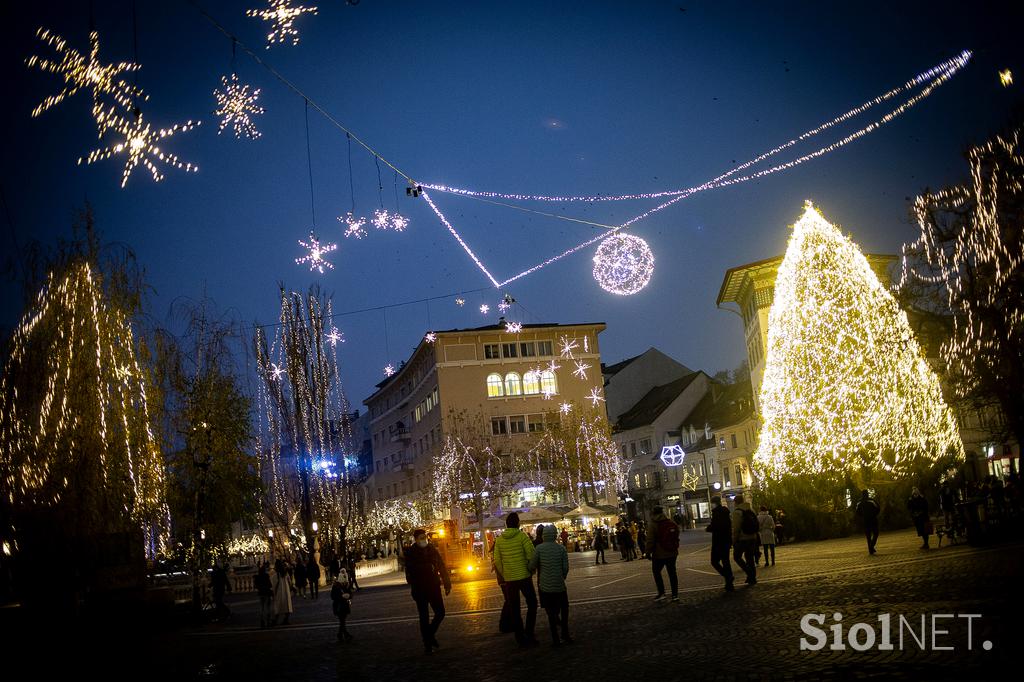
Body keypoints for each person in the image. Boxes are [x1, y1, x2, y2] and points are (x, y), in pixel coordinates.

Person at [493, 512, 538, 647]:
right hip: (524, 576)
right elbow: (531, 554)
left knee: (515, 608)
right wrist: (530, 569)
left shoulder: (500, 540)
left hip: (510, 579)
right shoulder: (522, 537)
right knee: (532, 604)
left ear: (507, 524)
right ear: (518, 523)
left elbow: (497, 560)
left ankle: (519, 637)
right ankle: (529, 632)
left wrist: (505, 573)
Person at [404, 528, 451, 655]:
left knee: (440, 613)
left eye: (425, 537)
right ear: (416, 539)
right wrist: (427, 567)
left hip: (433, 586)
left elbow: (441, 565)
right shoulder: (410, 552)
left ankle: (429, 635)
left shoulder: (432, 549)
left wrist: (447, 582)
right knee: (424, 616)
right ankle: (427, 644)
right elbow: (410, 569)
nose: (423, 540)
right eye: (421, 538)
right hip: (419, 589)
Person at [529, 524, 572, 646]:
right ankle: (565, 632)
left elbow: (532, 565)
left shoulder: (539, 549)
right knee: (564, 609)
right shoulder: (561, 549)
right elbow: (565, 567)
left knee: (551, 613)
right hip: (559, 586)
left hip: (545, 586)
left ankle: (555, 639)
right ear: (555, 535)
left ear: (543, 536)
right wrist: (562, 576)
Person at [644, 506, 680, 602]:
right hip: (672, 552)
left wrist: (647, 552)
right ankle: (675, 595)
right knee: (672, 573)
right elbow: (677, 532)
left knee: (656, 572)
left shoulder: (653, 524)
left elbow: (650, 540)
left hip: (659, 553)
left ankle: (661, 593)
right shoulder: (670, 521)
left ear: (653, 513)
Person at [705, 496, 734, 591]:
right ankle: (729, 583)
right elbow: (728, 526)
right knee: (726, 561)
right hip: (726, 540)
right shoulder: (725, 512)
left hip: (718, 541)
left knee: (714, 561)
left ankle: (728, 576)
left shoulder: (717, 513)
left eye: (712, 503)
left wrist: (709, 528)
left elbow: (716, 526)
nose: (711, 505)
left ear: (715, 503)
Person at [731, 494, 759, 585]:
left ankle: (749, 573)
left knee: (737, 557)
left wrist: (734, 540)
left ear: (735, 502)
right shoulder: (751, 510)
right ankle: (752, 578)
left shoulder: (737, 512)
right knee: (750, 558)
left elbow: (736, 528)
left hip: (743, 539)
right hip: (753, 537)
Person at [331, 570, 354, 643]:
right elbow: (333, 597)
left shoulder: (346, 585)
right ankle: (343, 635)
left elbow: (350, 593)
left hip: (344, 606)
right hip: (339, 606)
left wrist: (349, 596)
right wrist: (342, 596)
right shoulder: (335, 587)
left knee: (342, 622)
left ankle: (342, 634)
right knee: (342, 621)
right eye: (344, 581)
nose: (345, 583)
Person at [856, 490, 881, 554]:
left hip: (865, 520)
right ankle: (871, 545)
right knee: (876, 533)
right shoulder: (871, 500)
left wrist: (862, 516)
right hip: (873, 519)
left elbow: (857, 512)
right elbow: (878, 508)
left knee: (868, 535)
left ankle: (870, 550)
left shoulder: (859, 502)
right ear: (867, 494)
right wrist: (874, 514)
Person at [272, 558, 293, 625]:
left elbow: (273, 585)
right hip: (286, 591)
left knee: (278, 606)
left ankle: (276, 620)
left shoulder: (276, 575)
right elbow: (290, 582)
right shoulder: (285, 573)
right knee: (287, 605)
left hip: (279, 591)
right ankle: (286, 619)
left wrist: (273, 592)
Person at [255, 561, 274, 628]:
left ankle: (262, 621)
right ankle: (268, 621)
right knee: (268, 607)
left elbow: (256, 586)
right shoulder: (266, 576)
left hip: (261, 593)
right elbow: (270, 584)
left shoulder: (257, 577)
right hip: (266, 592)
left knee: (262, 608)